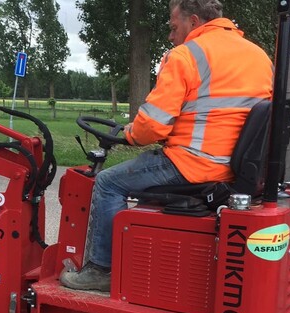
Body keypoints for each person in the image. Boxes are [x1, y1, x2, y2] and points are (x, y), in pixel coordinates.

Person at [61, 0, 273, 292]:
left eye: (174, 28)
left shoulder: (187, 55)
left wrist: (131, 134)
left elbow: (152, 126)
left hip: (194, 163)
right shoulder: (259, 56)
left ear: (194, 21)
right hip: (234, 167)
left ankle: (101, 269)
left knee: (109, 183)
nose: (171, 36)